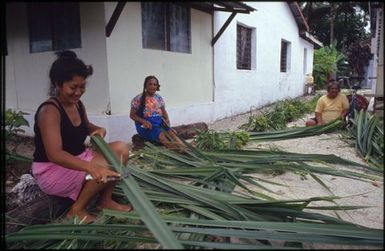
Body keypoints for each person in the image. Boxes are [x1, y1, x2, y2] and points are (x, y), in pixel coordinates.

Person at [31, 50, 131, 223]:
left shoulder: (77, 104)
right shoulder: (49, 111)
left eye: (82, 87)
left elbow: (86, 126)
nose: (78, 92)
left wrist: (97, 129)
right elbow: (55, 154)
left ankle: (104, 200)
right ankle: (76, 209)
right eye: (73, 87)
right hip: (52, 169)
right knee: (105, 163)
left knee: (121, 149)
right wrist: (91, 168)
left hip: (78, 158)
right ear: (58, 84)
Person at [130, 75, 185, 150]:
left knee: (172, 134)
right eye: (150, 84)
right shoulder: (138, 99)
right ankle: (179, 153)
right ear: (145, 85)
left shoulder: (158, 98)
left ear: (157, 86)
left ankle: (185, 149)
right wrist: (143, 121)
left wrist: (167, 119)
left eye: (155, 84)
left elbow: (163, 111)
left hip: (159, 124)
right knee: (162, 136)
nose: (152, 86)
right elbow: (132, 115)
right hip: (147, 127)